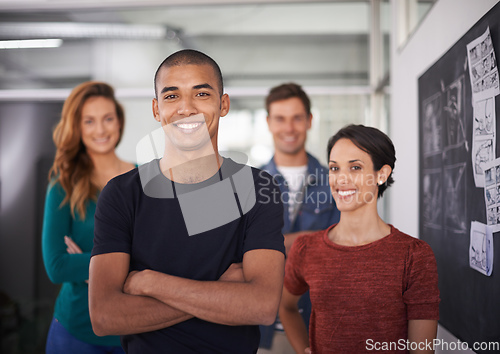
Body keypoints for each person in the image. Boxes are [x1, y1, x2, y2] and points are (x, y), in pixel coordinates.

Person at [88, 49, 286, 354]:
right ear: (156, 109)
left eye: (201, 93)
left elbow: (260, 307)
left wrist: (152, 284)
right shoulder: (122, 194)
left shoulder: (257, 189)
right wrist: (222, 293)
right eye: (171, 96)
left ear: (223, 104)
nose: (186, 108)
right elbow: (104, 316)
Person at [279, 124, 440, 354]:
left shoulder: (414, 255)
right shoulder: (307, 249)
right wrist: (303, 349)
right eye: (334, 169)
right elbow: (287, 307)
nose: (341, 179)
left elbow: (422, 350)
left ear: (381, 174)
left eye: (355, 167)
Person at [42, 81, 135, 353]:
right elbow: (57, 266)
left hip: (132, 329)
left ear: (119, 122)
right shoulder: (63, 185)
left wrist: (89, 264)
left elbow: (158, 256)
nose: (101, 129)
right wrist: (127, 264)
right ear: (78, 127)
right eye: (89, 121)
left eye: (108, 118)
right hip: (75, 332)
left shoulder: (144, 181)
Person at [259, 83, 340, 351]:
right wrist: (313, 239)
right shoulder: (250, 183)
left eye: (297, 118)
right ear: (268, 122)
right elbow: (238, 251)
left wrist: (276, 242)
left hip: (321, 327)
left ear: (309, 120)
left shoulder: (335, 181)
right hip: (261, 330)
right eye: (280, 119)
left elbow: (345, 248)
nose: (289, 128)